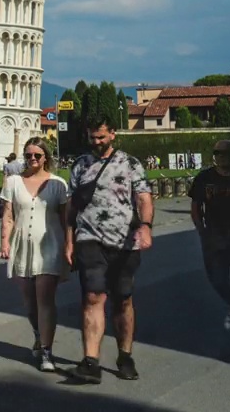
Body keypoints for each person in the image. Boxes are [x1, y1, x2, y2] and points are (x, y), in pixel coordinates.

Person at [68, 115, 153, 384]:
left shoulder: (130, 163)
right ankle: (90, 361)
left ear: (113, 134)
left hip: (125, 241)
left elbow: (143, 198)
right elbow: (72, 208)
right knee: (93, 296)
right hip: (89, 238)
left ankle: (124, 355)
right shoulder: (81, 165)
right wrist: (69, 241)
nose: (97, 142)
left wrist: (146, 225)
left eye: (101, 137)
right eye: (92, 137)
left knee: (123, 299)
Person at [0, 137, 70, 372]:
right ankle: (39, 334)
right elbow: (8, 216)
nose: (32, 159)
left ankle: (47, 352)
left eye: (37, 155)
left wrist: (70, 245)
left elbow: (66, 219)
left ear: (45, 157)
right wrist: (4, 243)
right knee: (29, 302)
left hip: (49, 243)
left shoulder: (58, 184)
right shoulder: (13, 182)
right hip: (22, 244)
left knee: (45, 299)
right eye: (28, 155)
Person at [190, 138, 230, 337]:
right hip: (214, 236)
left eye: (224, 153)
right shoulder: (204, 178)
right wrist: (202, 230)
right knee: (217, 280)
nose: (220, 157)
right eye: (217, 153)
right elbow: (195, 207)